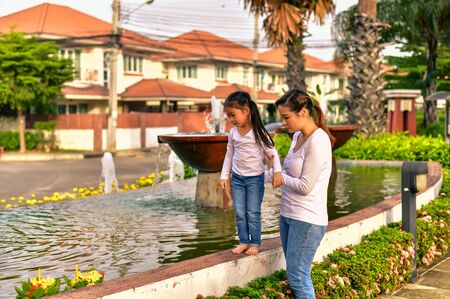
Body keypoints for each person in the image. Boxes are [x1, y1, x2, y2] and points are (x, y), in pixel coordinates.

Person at [268, 88, 335, 299]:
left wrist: (278, 175)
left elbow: (305, 186)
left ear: (303, 113)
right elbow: (287, 172)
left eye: (286, 117)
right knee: (295, 274)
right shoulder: (297, 135)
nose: (283, 122)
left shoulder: (319, 141)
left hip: (307, 220)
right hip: (288, 215)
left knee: (298, 276)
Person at [220, 91, 283, 255]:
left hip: (255, 179)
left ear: (246, 111)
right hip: (238, 179)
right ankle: (243, 241)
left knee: (252, 212)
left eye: (233, 115)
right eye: (228, 116)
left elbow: (272, 153)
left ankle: (254, 243)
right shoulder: (233, 133)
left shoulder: (257, 132)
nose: (231, 120)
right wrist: (224, 175)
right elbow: (229, 154)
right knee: (240, 212)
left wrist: (277, 172)